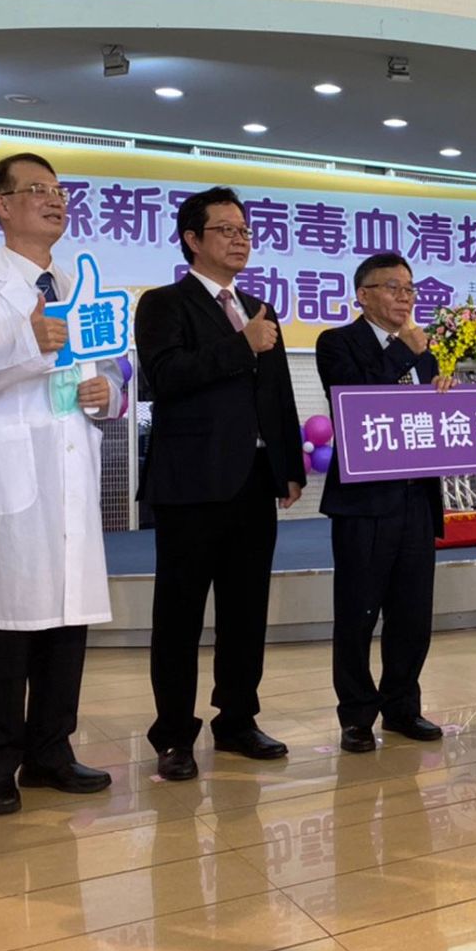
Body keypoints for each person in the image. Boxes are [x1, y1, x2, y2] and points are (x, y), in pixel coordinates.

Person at [0, 152, 119, 816]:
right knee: (4, 627)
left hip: (68, 471)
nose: (55, 200)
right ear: (2, 205)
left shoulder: (79, 287)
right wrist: (28, 339)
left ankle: (51, 751)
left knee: (66, 622)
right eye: (37, 189)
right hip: (10, 477)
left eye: (59, 190)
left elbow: (103, 374)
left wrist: (108, 394)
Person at [135, 186, 305, 780]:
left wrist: (288, 465)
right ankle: (173, 735)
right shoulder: (164, 304)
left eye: (244, 230)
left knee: (245, 610)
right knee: (179, 616)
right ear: (192, 239)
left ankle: (237, 719)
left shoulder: (260, 307)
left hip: (254, 481)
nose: (240, 240)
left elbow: (277, 395)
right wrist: (240, 345)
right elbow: (165, 377)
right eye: (226, 230)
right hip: (191, 483)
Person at [315, 252, 449, 753]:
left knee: (413, 613)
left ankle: (402, 707)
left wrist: (445, 393)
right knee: (357, 613)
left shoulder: (423, 352)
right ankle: (356, 715)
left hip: (417, 498)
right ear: (363, 295)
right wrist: (407, 353)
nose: (404, 297)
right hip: (364, 503)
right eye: (393, 287)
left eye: (410, 289)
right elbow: (357, 400)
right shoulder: (337, 343)